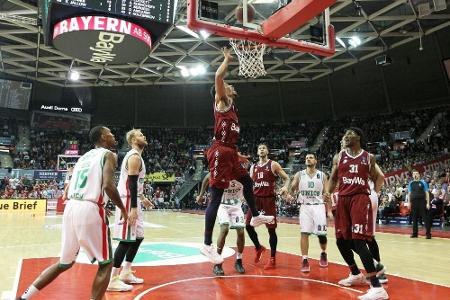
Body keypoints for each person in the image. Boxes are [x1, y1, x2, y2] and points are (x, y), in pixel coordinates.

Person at [16, 126, 128, 300]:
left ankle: (24, 297)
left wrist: (100, 202)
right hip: (89, 209)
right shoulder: (109, 155)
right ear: (104, 137)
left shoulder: (83, 158)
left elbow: (69, 190)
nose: (114, 136)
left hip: (71, 207)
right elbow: (108, 185)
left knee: (64, 263)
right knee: (106, 263)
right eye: (111, 134)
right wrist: (123, 209)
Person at [202, 48, 274, 264]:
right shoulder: (221, 102)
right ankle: (207, 244)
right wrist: (226, 59)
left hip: (230, 152)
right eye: (225, 86)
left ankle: (255, 214)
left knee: (246, 180)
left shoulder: (233, 109)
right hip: (220, 152)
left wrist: (239, 156)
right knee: (216, 196)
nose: (227, 85)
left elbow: (230, 138)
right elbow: (218, 76)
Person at [326, 127, 388, 300]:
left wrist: (374, 193)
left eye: (349, 134)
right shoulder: (338, 157)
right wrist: (327, 193)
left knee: (359, 240)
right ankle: (355, 273)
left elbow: (378, 176)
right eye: (344, 134)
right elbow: (333, 178)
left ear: (359, 137)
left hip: (360, 198)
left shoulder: (369, 157)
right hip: (343, 199)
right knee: (341, 240)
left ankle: (377, 287)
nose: (345, 137)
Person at [108, 129, 154, 291]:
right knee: (126, 240)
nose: (144, 136)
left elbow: (136, 184)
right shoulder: (134, 156)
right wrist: (134, 207)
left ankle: (126, 272)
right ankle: (112, 279)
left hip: (134, 200)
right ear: (133, 140)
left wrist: (142, 198)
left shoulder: (137, 156)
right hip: (128, 201)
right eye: (141, 135)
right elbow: (131, 183)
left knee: (138, 236)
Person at [244, 144, 290, 269]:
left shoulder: (273, 164)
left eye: (264, 148)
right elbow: (250, 183)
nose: (262, 150)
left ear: (267, 151)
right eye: (259, 148)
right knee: (248, 226)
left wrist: (285, 187)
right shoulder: (253, 167)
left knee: (271, 230)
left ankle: (272, 258)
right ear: (257, 152)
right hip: (255, 200)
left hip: (268, 200)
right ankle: (259, 248)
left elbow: (287, 178)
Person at [289, 153, 331, 273]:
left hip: (319, 207)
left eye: (311, 157)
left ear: (316, 161)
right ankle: (305, 260)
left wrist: (329, 210)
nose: (308, 159)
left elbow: (327, 194)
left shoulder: (322, 175)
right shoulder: (299, 174)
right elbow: (292, 187)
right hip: (305, 207)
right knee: (304, 233)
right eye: (307, 158)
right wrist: (289, 190)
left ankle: (323, 253)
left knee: (322, 235)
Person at [197, 173, 246, 275]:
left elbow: (249, 186)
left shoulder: (242, 173)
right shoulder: (222, 169)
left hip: (236, 205)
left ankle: (239, 260)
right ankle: (218, 263)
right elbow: (206, 177)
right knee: (224, 229)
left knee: (241, 232)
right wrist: (200, 195)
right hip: (221, 205)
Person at [407, 170, 431, 239]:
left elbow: (427, 193)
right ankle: (415, 234)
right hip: (414, 202)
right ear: (412, 175)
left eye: (417, 174)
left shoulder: (423, 182)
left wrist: (428, 203)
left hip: (422, 202)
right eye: (414, 174)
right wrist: (409, 203)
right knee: (414, 218)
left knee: (425, 218)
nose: (415, 175)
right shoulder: (411, 183)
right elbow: (409, 194)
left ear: (419, 175)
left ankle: (428, 234)